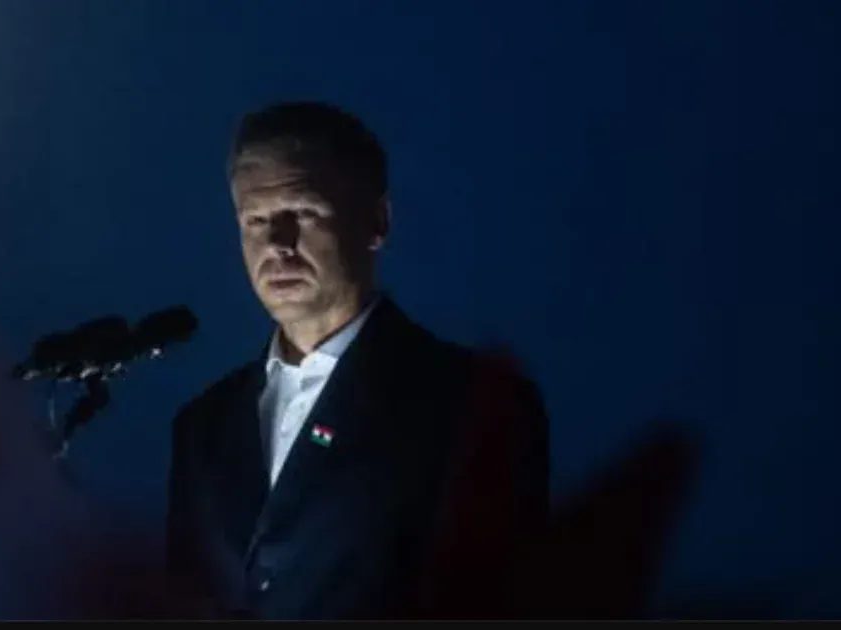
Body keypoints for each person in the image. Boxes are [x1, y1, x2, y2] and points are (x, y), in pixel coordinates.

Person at [162, 101, 550, 620]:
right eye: (255, 221)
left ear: (376, 220)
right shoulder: (201, 427)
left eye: (303, 213)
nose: (277, 245)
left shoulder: (469, 404)